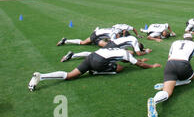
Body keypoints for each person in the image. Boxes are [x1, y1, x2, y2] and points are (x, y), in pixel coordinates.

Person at [28, 47, 161, 91]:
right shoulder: (127, 54)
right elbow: (139, 65)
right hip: (99, 62)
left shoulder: (120, 51)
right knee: (120, 68)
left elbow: (130, 60)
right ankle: (96, 71)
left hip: (92, 56)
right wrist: (152, 66)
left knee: (70, 75)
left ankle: (41, 76)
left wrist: (139, 60)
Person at [147, 34, 194, 117]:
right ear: (191, 39)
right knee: (191, 78)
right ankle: (177, 83)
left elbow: (169, 57)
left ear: (184, 38)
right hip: (183, 64)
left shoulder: (175, 42)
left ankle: (154, 100)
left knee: (167, 92)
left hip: (170, 64)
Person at [60, 35, 152, 62]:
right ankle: (73, 55)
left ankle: (73, 55)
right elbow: (138, 53)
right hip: (113, 46)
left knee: (130, 53)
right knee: (95, 54)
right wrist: (146, 52)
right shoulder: (135, 41)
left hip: (113, 43)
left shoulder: (131, 39)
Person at [56, 26, 123, 47]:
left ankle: (65, 40)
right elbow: (113, 44)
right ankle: (65, 41)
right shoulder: (113, 34)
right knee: (83, 42)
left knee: (85, 42)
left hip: (98, 33)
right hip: (96, 36)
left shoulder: (115, 31)